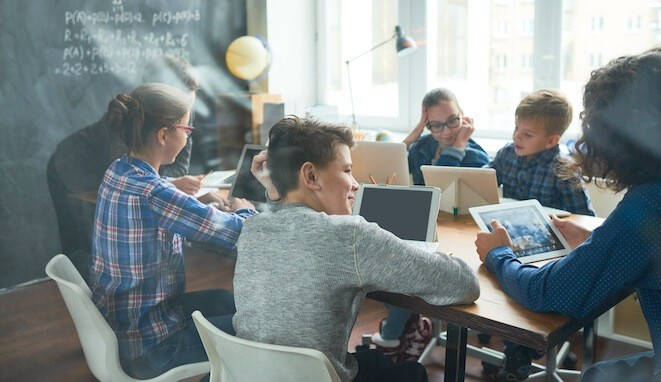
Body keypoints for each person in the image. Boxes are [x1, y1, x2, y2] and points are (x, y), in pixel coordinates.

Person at [232, 116, 480, 382]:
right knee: (414, 373)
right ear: (311, 175)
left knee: (372, 360)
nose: (355, 184)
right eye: (347, 170)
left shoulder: (252, 229)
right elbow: (465, 284)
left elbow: (292, 223)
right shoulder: (348, 236)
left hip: (251, 374)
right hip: (319, 377)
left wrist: (277, 187)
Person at [475, 50, 661, 382]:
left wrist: (497, 255)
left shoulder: (648, 202)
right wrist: (597, 242)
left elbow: (547, 292)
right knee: (600, 374)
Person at [88, 83, 256, 379]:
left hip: (126, 329)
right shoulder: (155, 194)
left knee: (225, 299)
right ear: (164, 134)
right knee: (260, 327)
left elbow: (157, 199)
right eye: (186, 128)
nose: (188, 134)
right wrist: (246, 208)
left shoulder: (118, 170)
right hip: (153, 346)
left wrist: (183, 195)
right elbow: (237, 233)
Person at [48, 55, 204, 279]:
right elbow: (130, 181)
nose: (187, 115)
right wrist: (168, 186)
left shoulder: (182, 112)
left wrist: (170, 185)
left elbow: (178, 167)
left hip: (110, 175)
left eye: (190, 103)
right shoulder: (129, 124)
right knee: (84, 246)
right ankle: (88, 300)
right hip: (71, 166)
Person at [486, 89, 594, 216]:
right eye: (516, 128)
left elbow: (584, 218)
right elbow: (481, 184)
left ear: (551, 141)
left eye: (527, 135)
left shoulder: (565, 170)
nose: (516, 136)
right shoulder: (507, 154)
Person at [404, 88, 490, 185]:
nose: (447, 131)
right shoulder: (420, 148)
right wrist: (413, 135)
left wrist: (458, 146)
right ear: (427, 125)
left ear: (462, 115)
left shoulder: (476, 157)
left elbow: (439, 187)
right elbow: (390, 175)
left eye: (452, 120)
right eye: (436, 125)